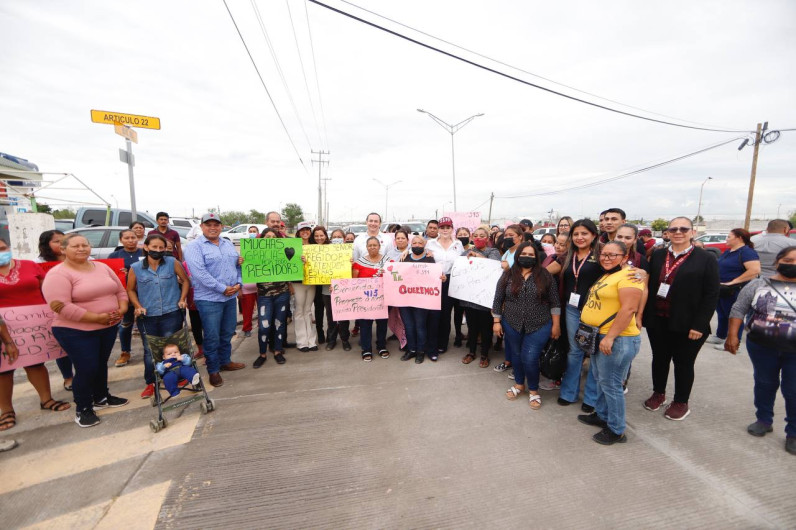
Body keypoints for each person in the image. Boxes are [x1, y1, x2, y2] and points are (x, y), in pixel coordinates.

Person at [42, 234, 130, 428]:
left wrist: (122, 309)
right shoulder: (58, 274)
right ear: (63, 249)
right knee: (86, 368)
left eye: (85, 245)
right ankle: (83, 408)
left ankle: (101, 397)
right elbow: (61, 306)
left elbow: (119, 291)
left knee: (100, 364)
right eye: (75, 246)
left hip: (107, 326)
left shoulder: (102, 267)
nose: (81, 249)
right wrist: (97, 318)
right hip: (75, 330)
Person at [643, 217, 719, 421]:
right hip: (658, 319)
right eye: (673, 229)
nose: (678, 232)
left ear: (692, 232)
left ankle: (681, 402)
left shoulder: (706, 258)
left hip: (688, 323)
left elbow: (711, 294)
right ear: (667, 232)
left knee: (683, 363)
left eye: (683, 229)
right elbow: (650, 284)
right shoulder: (659, 255)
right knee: (659, 359)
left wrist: (700, 324)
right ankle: (658, 393)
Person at [725, 246, 796, 455]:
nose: (793, 265)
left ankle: (793, 432)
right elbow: (739, 308)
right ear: (777, 262)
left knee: (793, 391)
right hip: (762, 347)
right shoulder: (758, 284)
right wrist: (732, 335)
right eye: (789, 260)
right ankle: (764, 419)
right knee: (764, 383)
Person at [576, 241, 644, 445]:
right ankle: (602, 415)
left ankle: (616, 429)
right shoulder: (609, 274)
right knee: (600, 379)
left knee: (611, 384)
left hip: (617, 339)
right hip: (599, 336)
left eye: (612, 255)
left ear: (625, 257)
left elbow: (628, 309)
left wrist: (611, 337)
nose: (606, 258)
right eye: (603, 255)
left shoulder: (630, 276)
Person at [1, 238, 71, 432]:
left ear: (9, 247)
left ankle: (46, 399)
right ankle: (6, 410)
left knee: (36, 363)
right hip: (2, 327)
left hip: (33, 325)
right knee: (4, 369)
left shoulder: (30, 266)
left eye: (2, 248)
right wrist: (6, 339)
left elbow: (46, 290)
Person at [493, 242, 561, 410]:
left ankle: (533, 389)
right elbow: (498, 299)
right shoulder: (508, 275)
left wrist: (556, 325)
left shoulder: (545, 275)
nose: (527, 257)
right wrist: (496, 321)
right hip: (512, 323)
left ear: (536, 258)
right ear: (517, 256)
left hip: (539, 324)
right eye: (524, 254)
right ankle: (518, 384)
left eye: (531, 255)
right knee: (516, 355)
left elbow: (555, 302)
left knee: (530, 358)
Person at [183, 212, 245, 388]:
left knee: (227, 332)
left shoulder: (227, 244)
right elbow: (199, 274)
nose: (212, 227)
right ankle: (213, 369)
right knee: (212, 335)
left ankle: (225, 361)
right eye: (208, 224)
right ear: (201, 227)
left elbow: (237, 266)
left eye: (216, 224)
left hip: (230, 296)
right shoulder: (194, 247)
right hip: (209, 299)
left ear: (221, 226)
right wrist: (222, 288)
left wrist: (239, 283)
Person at [546, 219, 602, 411]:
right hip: (571, 309)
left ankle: (591, 399)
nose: (580, 237)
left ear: (594, 235)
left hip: (596, 311)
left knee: (595, 353)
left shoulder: (602, 255)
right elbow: (545, 272)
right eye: (576, 234)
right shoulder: (568, 256)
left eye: (584, 233)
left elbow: (622, 271)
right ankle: (569, 393)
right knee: (575, 350)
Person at [127, 233, 190, 397]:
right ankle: (151, 382)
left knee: (173, 347)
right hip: (147, 316)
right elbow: (130, 290)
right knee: (150, 351)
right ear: (146, 247)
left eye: (161, 247)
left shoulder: (172, 262)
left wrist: (182, 299)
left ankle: (179, 375)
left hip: (171, 312)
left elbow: (185, 281)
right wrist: (137, 306)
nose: (158, 250)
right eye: (154, 247)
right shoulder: (135, 268)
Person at [706, 229, 761, 349]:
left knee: (734, 315)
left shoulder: (747, 252)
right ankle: (720, 336)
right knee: (722, 313)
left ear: (739, 238)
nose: (726, 239)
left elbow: (754, 271)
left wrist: (734, 282)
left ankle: (734, 341)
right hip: (722, 288)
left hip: (735, 290)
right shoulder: (729, 251)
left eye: (729, 237)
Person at [36, 229, 74, 390]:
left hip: (80, 307)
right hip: (54, 310)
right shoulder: (37, 264)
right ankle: (68, 377)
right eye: (56, 241)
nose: (61, 244)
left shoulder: (78, 258)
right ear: (46, 245)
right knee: (62, 346)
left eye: (63, 240)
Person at [460, 227, 501, 367]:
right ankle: (471, 352)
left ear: (488, 238)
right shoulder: (465, 253)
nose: (478, 238)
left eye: (482, 235)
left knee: (486, 328)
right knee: (472, 327)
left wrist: (479, 257)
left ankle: (484, 354)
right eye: (476, 235)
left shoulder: (493, 252)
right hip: (470, 297)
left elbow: (495, 267)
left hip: (486, 298)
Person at [252, 228, 292, 367]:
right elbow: (247, 268)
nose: (270, 239)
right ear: (262, 239)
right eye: (267, 237)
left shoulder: (284, 252)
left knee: (279, 324)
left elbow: (293, 267)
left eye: (273, 237)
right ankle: (262, 354)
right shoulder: (255, 254)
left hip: (282, 294)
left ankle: (278, 351)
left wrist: (300, 260)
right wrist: (242, 261)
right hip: (264, 296)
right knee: (264, 326)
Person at [426, 217, 464, 354]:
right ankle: (432, 341)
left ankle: (443, 343)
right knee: (435, 313)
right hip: (435, 280)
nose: (445, 230)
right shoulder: (430, 243)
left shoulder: (458, 244)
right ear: (438, 229)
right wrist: (406, 251)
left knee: (446, 313)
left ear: (452, 229)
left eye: (448, 227)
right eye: (442, 227)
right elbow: (417, 252)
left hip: (452, 280)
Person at [108, 229, 145, 368]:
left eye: (133, 237)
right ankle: (125, 352)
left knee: (145, 324)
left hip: (144, 294)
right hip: (124, 295)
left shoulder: (144, 253)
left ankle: (151, 351)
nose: (131, 240)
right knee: (125, 325)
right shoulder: (114, 256)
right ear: (121, 240)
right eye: (127, 238)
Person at [399, 235, 437, 363]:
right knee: (409, 326)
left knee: (420, 326)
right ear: (410, 244)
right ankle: (412, 350)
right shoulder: (404, 258)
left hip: (422, 299)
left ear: (424, 244)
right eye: (414, 243)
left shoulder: (429, 259)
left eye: (420, 243)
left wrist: (441, 278)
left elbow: (434, 277)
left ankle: (421, 351)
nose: (416, 245)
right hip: (405, 299)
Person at [352, 236, 388, 361]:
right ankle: (366, 349)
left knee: (382, 324)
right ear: (366, 247)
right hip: (365, 301)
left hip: (382, 300)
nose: (372, 247)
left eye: (375, 245)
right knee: (365, 324)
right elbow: (353, 282)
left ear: (379, 246)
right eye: (370, 245)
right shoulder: (359, 263)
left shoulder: (388, 262)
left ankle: (381, 346)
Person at [325, 230, 352, 351]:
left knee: (343, 316)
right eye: (334, 237)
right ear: (330, 239)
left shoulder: (350, 251)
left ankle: (345, 339)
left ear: (344, 238)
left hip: (344, 289)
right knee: (330, 316)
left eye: (339, 237)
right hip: (327, 289)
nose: (336, 238)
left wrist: (352, 263)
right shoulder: (324, 251)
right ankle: (331, 340)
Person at [294, 221, 319, 352]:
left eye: (307, 230)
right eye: (302, 230)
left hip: (311, 281)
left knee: (308, 310)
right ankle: (301, 341)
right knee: (299, 310)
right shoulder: (293, 246)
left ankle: (311, 340)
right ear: (298, 232)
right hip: (297, 282)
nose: (305, 232)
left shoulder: (315, 246)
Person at [310, 226, 335, 347]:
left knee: (331, 313)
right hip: (315, 283)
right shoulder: (309, 248)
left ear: (325, 236)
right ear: (313, 237)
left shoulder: (333, 248)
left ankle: (332, 336)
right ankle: (320, 333)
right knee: (318, 310)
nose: (319, 238)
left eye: (321, 235)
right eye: (316, 236)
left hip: (328, 284)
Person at [239, 226, 261, 338]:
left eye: (254, 232)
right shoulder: (243, 249)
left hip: (260, 286)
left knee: (262, 309)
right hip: (247, 286)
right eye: (250, 232)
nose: (252, 233)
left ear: (258, 233)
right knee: (247, 311)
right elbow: (238, 269)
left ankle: (261, 325)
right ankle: (247, 328)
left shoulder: (263, 249)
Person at [452, 226, 472, 347]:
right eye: (460, 234)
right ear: (456, 236)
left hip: (469, 285)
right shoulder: (454, 248)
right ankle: (458, 335)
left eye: (465, 234)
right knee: (458, 312)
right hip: (456, 284)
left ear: (469, 236)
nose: (462, 236)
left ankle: (471, 335)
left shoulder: (474, 249)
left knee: (469, 312)